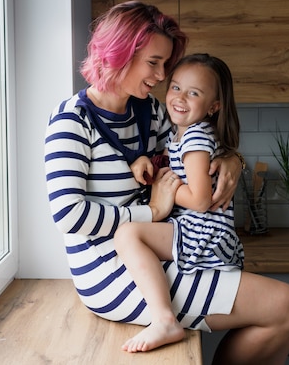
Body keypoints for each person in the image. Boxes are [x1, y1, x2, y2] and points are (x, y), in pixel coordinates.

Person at [44, 0, 289, 365]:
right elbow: (69, 216)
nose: (161, 75)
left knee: (285, 306)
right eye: (153, 62)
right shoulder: (72, 122)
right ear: (120, 52)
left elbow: (191, 151)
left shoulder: (147, 109)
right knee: (287, 305)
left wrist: (232, 158)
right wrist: (150, 212)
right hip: (110, 269)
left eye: (165, 64)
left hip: (153, 251)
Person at [115, 53, 245, 353]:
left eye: (194, 93)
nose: (180, 97)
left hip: (202, 231)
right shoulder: (185, 133)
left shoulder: (196, 137)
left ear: (214, 106)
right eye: (175, 88)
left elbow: (199, 200)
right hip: (206, 232)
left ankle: (164, 320)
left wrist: (166, 182)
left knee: (127, 234)